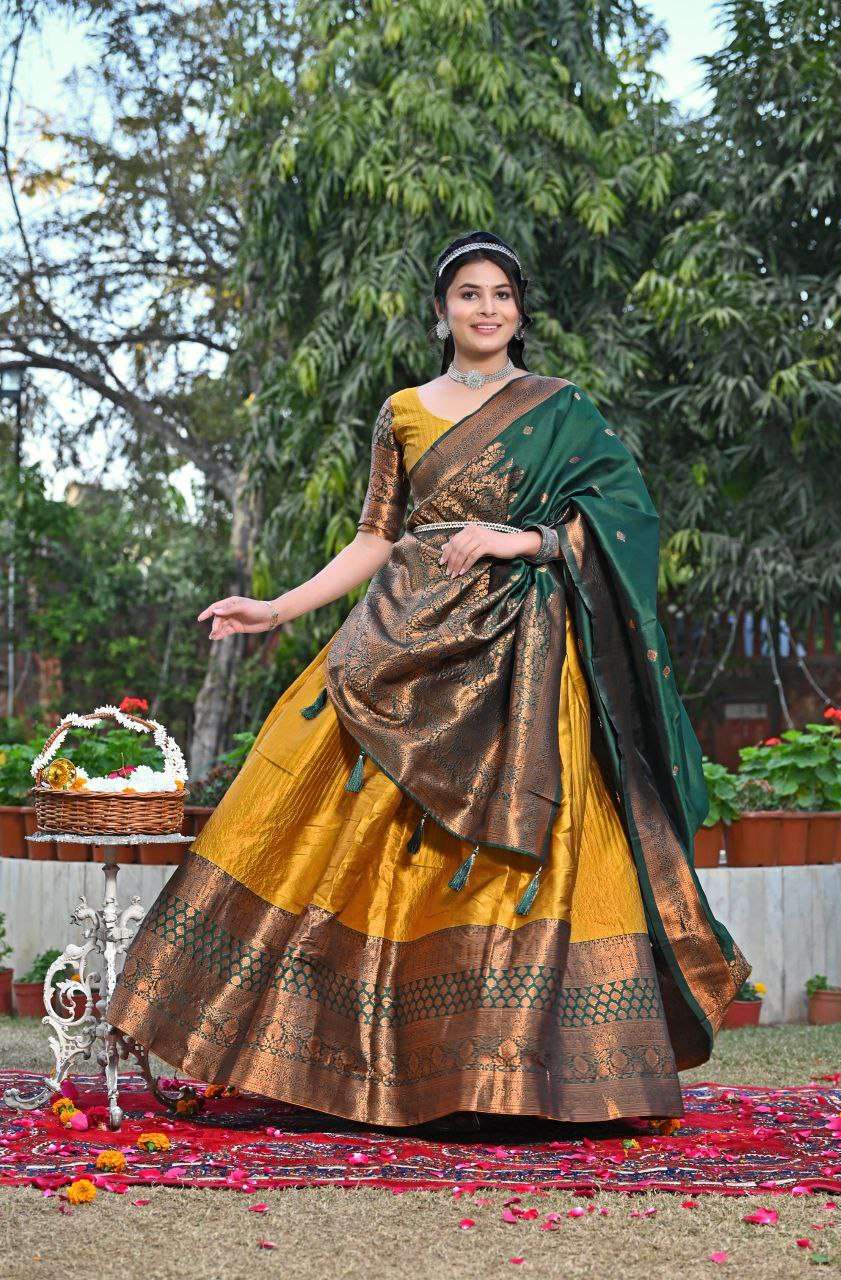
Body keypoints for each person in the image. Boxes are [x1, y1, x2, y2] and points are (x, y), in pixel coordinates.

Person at [105, 231, 750, 1130]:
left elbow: (627, 520)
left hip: (525, 662)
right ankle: (348, 1066)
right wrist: (277, 608)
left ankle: (513, 1078)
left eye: (501, 295)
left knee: (531, 854)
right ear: (441, 311)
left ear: (520, 311)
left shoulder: (561, 408)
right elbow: (376, 537)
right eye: (468, 295)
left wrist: (522, 539)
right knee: (341, 827)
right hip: (402, 646)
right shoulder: (403, 411)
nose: (487, 309)